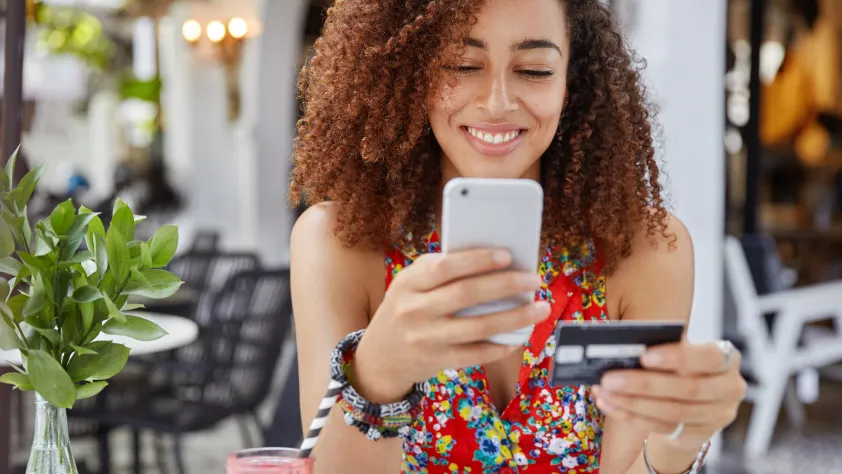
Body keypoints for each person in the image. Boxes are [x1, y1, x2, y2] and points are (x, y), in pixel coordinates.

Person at [289, 1, 747, 473]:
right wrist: (376, 375)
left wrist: (677, 441)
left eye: (534, 70)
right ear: (409, 71)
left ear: (574, 80)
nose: (497, 101)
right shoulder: (339, 245)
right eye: (462, 65)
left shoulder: (646, 251)